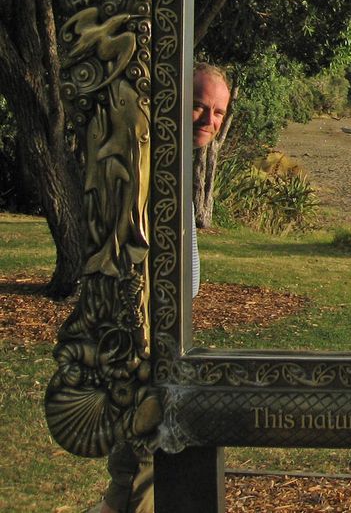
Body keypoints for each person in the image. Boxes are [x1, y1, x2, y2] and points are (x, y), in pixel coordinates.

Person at [90, 64, 231, 513]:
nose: (209, 121)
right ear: (173, 102)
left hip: (166, 338)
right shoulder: (146, 160)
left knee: (144, 475)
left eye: (219, 113)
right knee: (137, 476)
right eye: (199, 107)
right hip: (142, 342)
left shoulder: (174, 161)